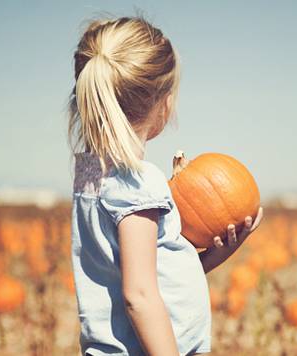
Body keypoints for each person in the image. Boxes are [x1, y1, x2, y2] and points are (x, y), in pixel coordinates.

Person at [67, 15, 263, 356]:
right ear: (163, 102)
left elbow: (142, 273)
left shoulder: (90, 174)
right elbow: (139, 296)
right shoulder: (140, 181)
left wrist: (215, 255)